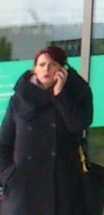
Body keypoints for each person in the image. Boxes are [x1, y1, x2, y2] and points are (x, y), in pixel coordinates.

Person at [0, 46, 95, 215]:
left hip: (63, 186)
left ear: (62, 70)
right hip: (23, 188)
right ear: (34, 69)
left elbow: (78, 125)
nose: (46, 69)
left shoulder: (77, 94)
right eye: (42, 64)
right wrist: (9, 176)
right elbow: (4, 143)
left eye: (52, 64)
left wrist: (60, 95)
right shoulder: (21, 98)